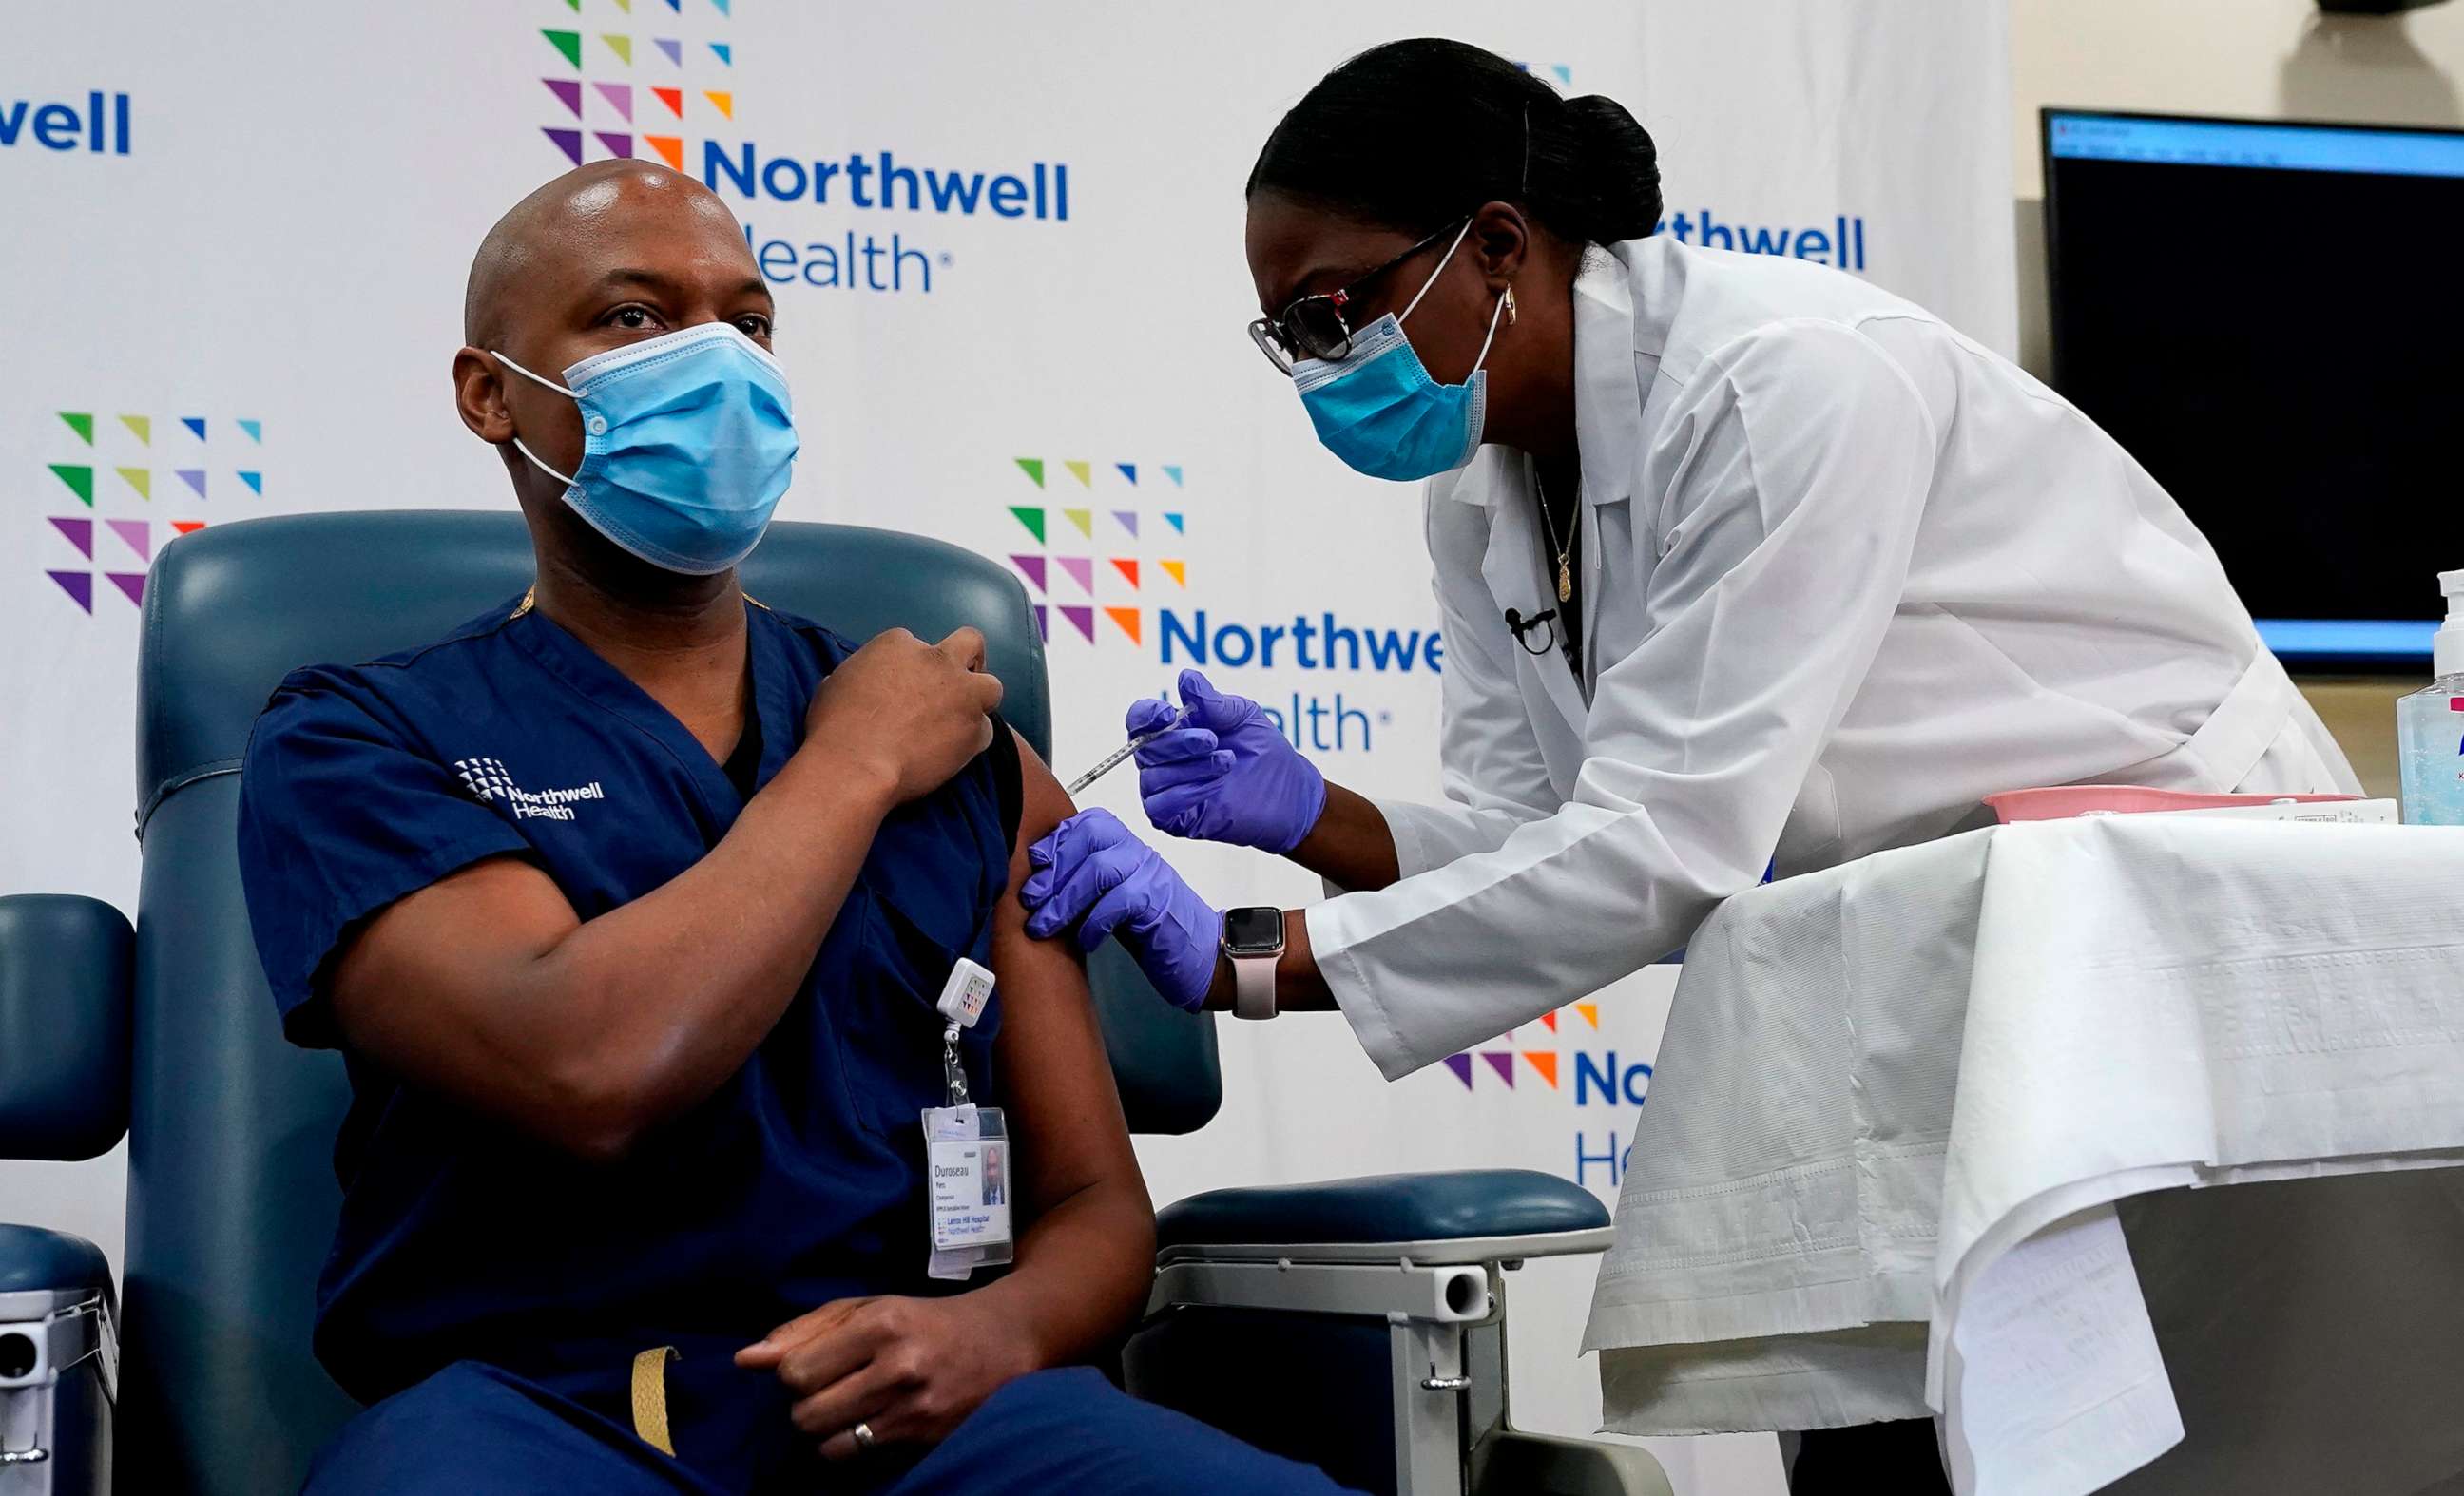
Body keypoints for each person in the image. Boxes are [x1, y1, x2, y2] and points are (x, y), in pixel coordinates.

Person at [1015, 38, 2361, 1494]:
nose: (1322, 361)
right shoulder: (1487, 493)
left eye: (1335, 306)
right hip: (1920, 931)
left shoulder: (1784, 386)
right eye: (1288, 332)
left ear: (1499, 246)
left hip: (2147, 896)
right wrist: (1317, 819)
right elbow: (1544, 840)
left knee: (2142, 1436)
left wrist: (1250, 961)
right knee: (1896, 1418)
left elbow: (1657, 850)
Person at [235, 160, 1351, 1496]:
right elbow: (586, 1062)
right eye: (634, 318)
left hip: (936, 1414)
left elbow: (1095, 1208)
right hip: (539, 1422)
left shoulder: (965, 746)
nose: (714, 361)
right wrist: (854, 763)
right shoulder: (363, 739)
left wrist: (994, 1332)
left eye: (747, 323)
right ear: (490, 394)